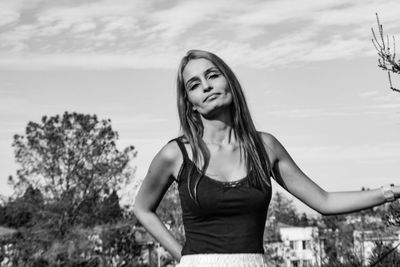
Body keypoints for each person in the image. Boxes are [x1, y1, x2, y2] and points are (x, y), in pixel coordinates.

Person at [133, 49, 400, 267]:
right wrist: (185, 257)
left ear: (229, 81)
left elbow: (324, 201)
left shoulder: (265, 147)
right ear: (190, 101)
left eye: (212, 75)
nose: (206, 86)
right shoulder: (175, 154)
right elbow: (142, 208)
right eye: (194, 85)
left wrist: (388, 192)